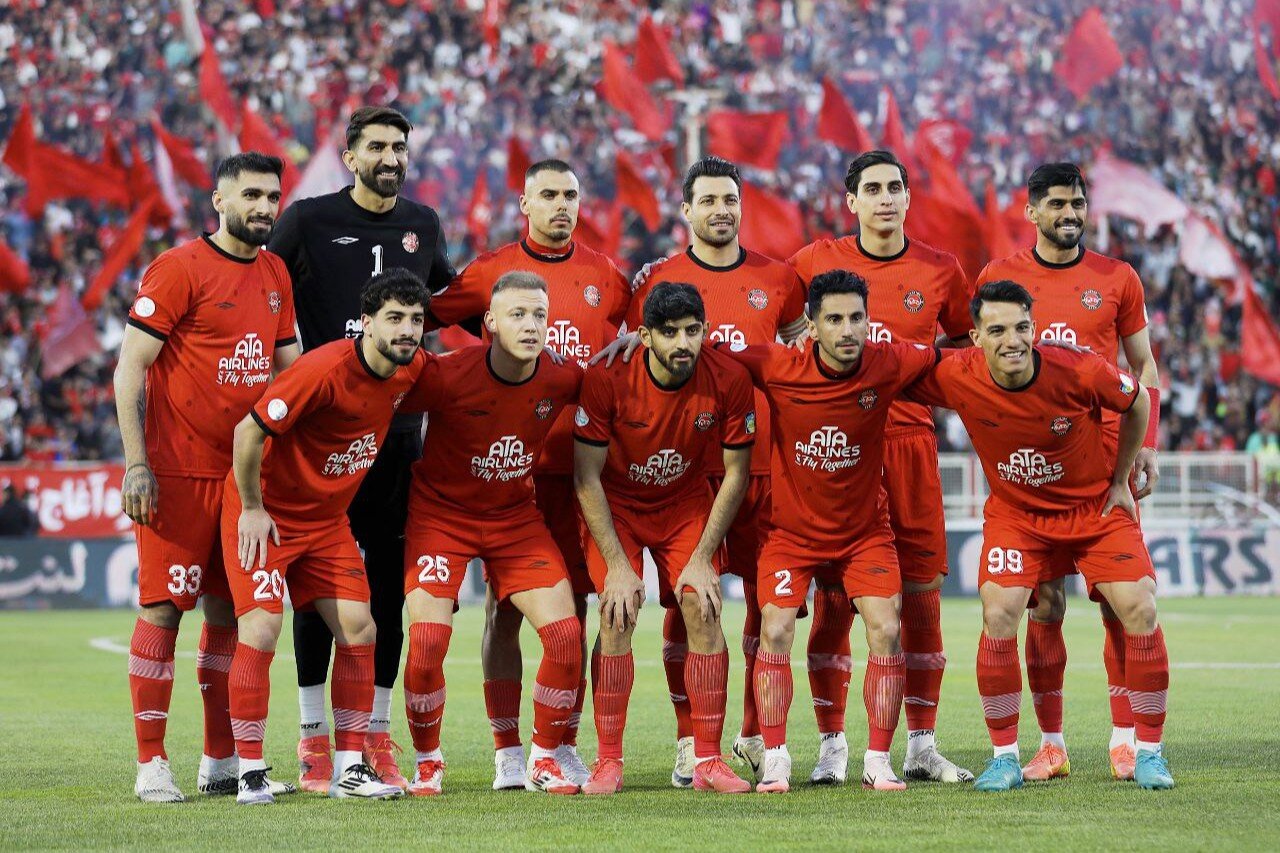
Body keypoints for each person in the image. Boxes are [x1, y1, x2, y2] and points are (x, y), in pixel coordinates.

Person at [903, 280, 1172, 792]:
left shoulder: (1079, 368)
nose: (1013, 341)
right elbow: (889, 367)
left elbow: (1138, 400)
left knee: (1139, 606)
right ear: (975, 337)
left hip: (1094, 509)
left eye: (1022, 328)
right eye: (997, 331)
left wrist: (1121, 480)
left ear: (1035, 328)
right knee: (999, 612)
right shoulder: (955, 373)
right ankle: (1006, 757)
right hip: (1019, 516)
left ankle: (1149, 752)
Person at [268, 106, 456, 792]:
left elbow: (452, 299)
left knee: (383, 593)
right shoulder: (307, 220)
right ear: (350, 157)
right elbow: (261, 287)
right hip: (322, 440)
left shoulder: (423, 224)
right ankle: (312, 737)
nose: (390, 157)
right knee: (318, 591)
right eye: (377, 146)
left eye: (399, 147)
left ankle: (375, 733)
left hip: (398, 438)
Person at [426, 159, 631, 789]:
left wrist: (636, 338)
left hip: (583, 472)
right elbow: (423, 320)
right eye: (548, 195)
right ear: (524, 202)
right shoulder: (489, 271)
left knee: (579, 609)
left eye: (570, 194)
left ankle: (561, 743)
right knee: (504, 611)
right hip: (514, 477)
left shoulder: (607, 276)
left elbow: (636, 338)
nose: (561, 205)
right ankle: (507, 749)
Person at [609, 157, 807, 787]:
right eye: (709, 201)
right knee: (688, 604)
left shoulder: (780, 280)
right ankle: (689, 740)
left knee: (767, 608)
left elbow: (802, 358)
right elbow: (630, 356)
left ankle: (750, 733)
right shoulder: (658, 279)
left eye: (730, 200)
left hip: (770, 466)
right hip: (695, 476)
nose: (722, 210)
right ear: (686, 210)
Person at [113, 152, 300, 803]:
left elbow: (291, 373)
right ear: (219, 201)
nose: (264, 206)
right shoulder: (178, 267)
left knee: (228, 614)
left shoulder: (275, 273)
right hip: (177, 473)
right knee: (164, 609)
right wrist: (136, 462)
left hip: (244, 481)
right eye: (251, 195)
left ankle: (220, 761)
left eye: (272, 196)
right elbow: (130, 368)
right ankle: (150, 762)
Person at [787, 150, 973, 784]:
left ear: (908, 197)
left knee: (921, 599)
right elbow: (774, 324)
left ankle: (921, 744)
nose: (887, 198)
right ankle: (832, 745)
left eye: (896, 187)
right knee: (835, 600)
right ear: (852, 201)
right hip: (837, 450)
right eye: (873, 189)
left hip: (909, 445)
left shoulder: (941, 269)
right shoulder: (813, 262)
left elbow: (965, 347)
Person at [718, 269, 942, 793]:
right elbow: (704, 356)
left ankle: (878, 760)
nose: (847, 330)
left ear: (869, 321)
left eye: (856, 318)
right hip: (791, 535)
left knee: (886, 628)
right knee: (776, 628)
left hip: (865, 533)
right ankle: (776, 757)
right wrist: (632, 345)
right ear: (811, 326)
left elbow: (955, 362)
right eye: (834, 319)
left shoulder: (889, 361)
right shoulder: (777, 364)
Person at [974, 162, 1161, 782]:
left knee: (1119, 602)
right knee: (1044, 603)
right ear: (1031, 211)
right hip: (1032, 470)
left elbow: (1144, 366)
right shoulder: (999, 277)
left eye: (1077, 203)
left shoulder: (1117, 277)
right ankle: (1050, 744)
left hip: (1104, 465)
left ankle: (1126, 740)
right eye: (1057, 204)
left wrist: (1146, 445)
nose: (1070, 214)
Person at [222, 269, 430, 804]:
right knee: (262, 630)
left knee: (361, 629)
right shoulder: (322, 370)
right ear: (366, 322)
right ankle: (250, 773)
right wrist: (252, 507)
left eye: (415, 319)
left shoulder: (411, 370)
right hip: (268, 514)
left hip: (326, 522)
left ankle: (349, 768)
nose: (407, 330)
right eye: (394, 318)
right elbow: (249, 431)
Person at [398, 271, 585, 796]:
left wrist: (627, 348)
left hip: (514, 519)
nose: (531, 325)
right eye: (518, 315)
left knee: (565, 636)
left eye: (540, 315)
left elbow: (620, 388)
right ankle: (428, 761)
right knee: (428, 640)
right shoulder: (445, 374)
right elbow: (376, 393)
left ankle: (541, 760)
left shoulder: (562, 377)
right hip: (441, 518)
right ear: (490, 323)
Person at [574, 282, 755, 795]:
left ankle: (709, 761)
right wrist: (617, 565)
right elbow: (585, 477)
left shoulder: (728, 377)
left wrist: (702, 558)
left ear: (705, 330)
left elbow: (737, 473)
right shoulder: (607, 377)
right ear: (645, 335)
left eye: (693, 331)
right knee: (617, 611)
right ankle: (608, 760)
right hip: (619, 506)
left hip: (685, 504)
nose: (683, 343)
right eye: (670, 333)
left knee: (703, 604)